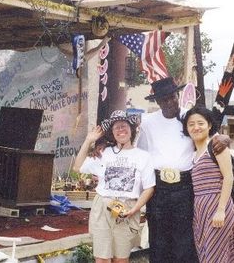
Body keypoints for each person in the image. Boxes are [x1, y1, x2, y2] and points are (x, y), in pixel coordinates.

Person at [92, 77, 229, 263]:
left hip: (185, 187)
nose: (169, 102)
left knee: (184, 239)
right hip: (159, 189)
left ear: (177, 95)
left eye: (172, 97)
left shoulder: (189, 118)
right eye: (164, 99)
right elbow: (136, 151)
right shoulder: (148, 122)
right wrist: (102, 144)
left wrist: (224, 139)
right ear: (157, 102)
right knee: (158, 239)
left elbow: (209, 136)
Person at [73, 110, 155, 263]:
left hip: (128, 209)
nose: (120, 130)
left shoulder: (144, 156)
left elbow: (149, 187)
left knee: (121, 259)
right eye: (116, 127)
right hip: (103, 207)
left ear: (132, 129)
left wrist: (135, 209)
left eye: (124, 126)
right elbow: (78, 167)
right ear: (112, 133)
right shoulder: (104, 153)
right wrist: (88, 140)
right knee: (102, 259)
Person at [182, 106, 234, 262]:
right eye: (191, 124)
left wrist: (221, 210)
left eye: (200, 123)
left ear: (209, 125)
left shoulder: (216, 146)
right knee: (205, 253)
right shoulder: (193, 153)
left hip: (217, 205)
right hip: (200, 209)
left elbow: (229, 177)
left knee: (216, 254)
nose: (196, 127)